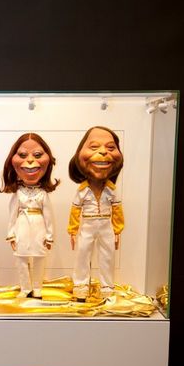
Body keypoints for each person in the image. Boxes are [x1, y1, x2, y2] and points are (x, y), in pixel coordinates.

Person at [68, 126, 125, 301]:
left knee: (108, 256)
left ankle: (107, 288)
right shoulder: (82, 190)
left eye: (110, 147)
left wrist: (117, 230)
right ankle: (81, 287)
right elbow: (75, 211)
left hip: (106, 225)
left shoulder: (111, 190)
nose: (102, 152)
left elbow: (117, 211)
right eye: (94, 147)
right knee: (82, 255)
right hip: (87, 225)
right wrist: (72, 230)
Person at [1, 133, 59, 298]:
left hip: (39, 227)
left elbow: (48, 216)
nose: (31, 161)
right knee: (21, 259)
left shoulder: (43, 194)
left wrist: (50, 236)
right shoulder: (18, 193)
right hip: (22, 227)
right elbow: (12, 214)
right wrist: (11, 234)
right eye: (22, 155)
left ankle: (37, 288)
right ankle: (25, 288)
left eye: (38, 155)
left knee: (40, 258)